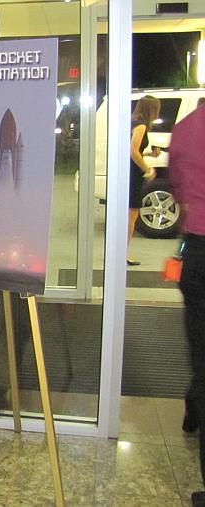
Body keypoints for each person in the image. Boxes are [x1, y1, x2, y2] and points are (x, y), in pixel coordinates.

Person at [169, 99, 205, 507]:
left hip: (198, 254)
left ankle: (196, 401)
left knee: (202, 349)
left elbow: (179, 191)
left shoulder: (187, 128)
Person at [127, 95, 161, 265]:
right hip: (133, 173)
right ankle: (123, 252)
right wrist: (147, 169)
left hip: (129, 170)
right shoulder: (140, 126)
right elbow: (133, 151)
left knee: (130, 213)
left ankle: (122, 251)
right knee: (132, 213)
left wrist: (148, 154)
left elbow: (136, 151)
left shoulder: (134, 122)